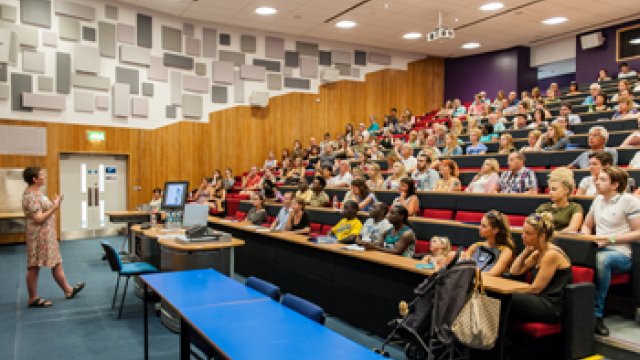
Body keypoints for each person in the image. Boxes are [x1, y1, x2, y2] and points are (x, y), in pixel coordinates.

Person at [580, 167, 640, 336]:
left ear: (615, 185)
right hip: (597, 247)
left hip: (620, 253)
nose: (596, 182)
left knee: (602, 260)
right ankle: (576, 310)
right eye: (598, 179)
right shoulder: (598, 200)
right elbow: (586, 225)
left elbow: (638, 232)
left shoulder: (629, 201)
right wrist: (587, 238)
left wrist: (610, 239)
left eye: (602, 179)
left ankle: (596, 315)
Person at [22, 167, 85, 307]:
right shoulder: (30, 196)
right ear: (34, 179)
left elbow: (45, 210)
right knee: (34, 266)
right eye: (42, 175)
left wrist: (55, 202)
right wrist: (55, 207)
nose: (44, 177)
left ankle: (68, 290)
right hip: (39, 237)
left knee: (56, 262)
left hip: (47, 236)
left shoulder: (37, 193)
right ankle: (33, 298)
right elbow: (38, 218)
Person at [508, 212, 572, 323]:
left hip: (551, 305)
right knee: (498, 297)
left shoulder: (551, 255)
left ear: (542, 236)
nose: (523, 236)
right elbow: (514, 272)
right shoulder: (538, 252)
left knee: (506, 298)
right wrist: (526, 251)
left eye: (528, 233)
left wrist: (508, 290)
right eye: (523, 232)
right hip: (539, 300)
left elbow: (535, 289)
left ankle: (501, 339)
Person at [465, 210, 515, 276]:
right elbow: (464, 268)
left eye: (484, 226)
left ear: (495, 230)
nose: (479, 228)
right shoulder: (475, 246)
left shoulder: (506, 251)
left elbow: (493, 274)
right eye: (480, 224)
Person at [535, 167, 584, 232]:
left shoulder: (575, 208)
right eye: (550, 189)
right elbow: (534, 225)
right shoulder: (543, 207)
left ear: (566, 190)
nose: (550, 192)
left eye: (554, 189)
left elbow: (573, 228)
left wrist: (553, 236)